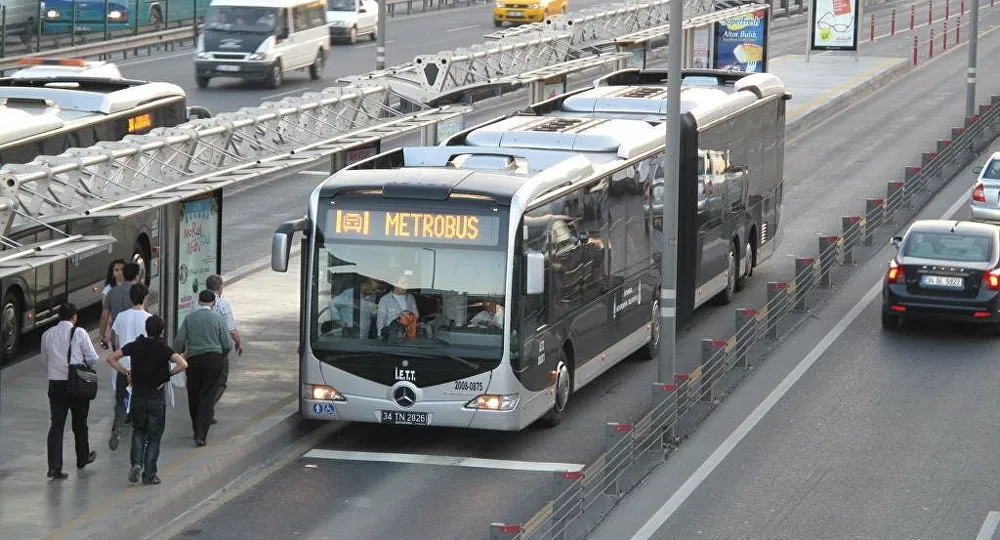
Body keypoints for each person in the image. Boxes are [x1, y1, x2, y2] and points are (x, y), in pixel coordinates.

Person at [106, 316, 187, 486]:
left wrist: (126, 373)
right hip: (155, 398)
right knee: (154, 436)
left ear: (146, 329)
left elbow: (111, 358)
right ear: (162, 331)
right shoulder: (163, 348)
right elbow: (183, 364)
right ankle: (149, 474)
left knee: (139, 430)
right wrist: (166, 377)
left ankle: (136, 463)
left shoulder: (135, 345)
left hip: (138, 397)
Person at [40, 303, 99, 479]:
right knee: (80, 422)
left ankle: (54, 467)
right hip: (77, 383)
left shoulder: (47, 335)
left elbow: (45, 361)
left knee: (57, 425)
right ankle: (82, 457)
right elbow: (92, 358)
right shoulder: (79, 333)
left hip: (56, 384)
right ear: (74, 317)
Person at [173, 290, 232, 447]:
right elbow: (227, 344)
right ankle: (201, 434)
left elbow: (179, 339)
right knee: (207, 394)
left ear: (199, 302)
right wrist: (221, 356)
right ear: (213, 303)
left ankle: (195, 427)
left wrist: (178, 354)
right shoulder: (217, 319)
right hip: (213, 359)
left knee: (194, 394)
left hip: (194, 360)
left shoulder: (190, 318)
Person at [107, 283, 152, 452]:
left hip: (124, 366)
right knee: (140, 401)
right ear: (145, 298)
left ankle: (117, 427)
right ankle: (138, 433)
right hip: (141, 368)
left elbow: (116, 341)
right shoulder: (148, 318)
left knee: (121, 399)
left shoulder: (121, 317)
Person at [102, 262, 142, 450]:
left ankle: (117, 425)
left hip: (121, 350)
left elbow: (105, 317)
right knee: (139, 390)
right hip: (139, 354)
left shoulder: (112, 293)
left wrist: (104, 337)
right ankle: (134, 418)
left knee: (121, 392)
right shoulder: (138, 293)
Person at [205, 275, 242, 424]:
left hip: (199, 350)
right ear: (220, 287)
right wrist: (238, 343)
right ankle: (207, 407)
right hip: (218, 350)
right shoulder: (222, 305)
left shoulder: (196, 304)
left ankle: (208, 411)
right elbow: (231, 330)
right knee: (220, 381)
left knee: (205, 382)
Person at [98, 258, 126, 350]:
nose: (120, 272)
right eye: (116, 270)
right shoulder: (108, 290)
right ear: (112, 273)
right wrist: (104, 334)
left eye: (122, 269)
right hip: (116, 329)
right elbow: (106, 314)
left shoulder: (132, 286)